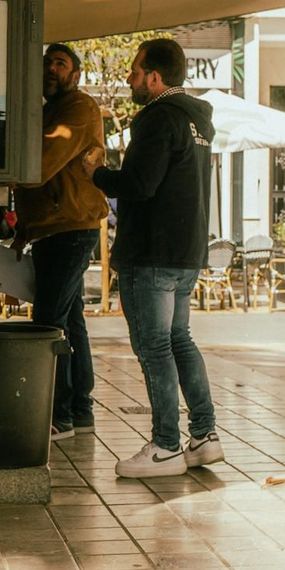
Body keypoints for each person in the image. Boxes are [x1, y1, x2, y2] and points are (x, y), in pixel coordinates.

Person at [81, 37, 223, 478]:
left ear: (155, 77)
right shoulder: (196, 120)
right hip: (186, 252)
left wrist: (96, 174)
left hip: (153, 252)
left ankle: (165, 446)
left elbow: (140, 184)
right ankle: (204, 436)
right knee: (179, 339)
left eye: (136, 71)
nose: (130, 78)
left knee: (155, 347)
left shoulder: (158, 118)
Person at [13, 44, 108, 442]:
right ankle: (81, 411)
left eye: (60, 63)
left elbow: (38, 166)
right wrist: (25, 229)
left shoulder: (78, 108)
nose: (51, 69)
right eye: (47, 62)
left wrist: (3, 168)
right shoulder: (50, 110)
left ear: (76, 75)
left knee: (48, 322)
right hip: (55, 227)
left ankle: (59, 416)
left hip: (70, 227)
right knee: (70, 321)